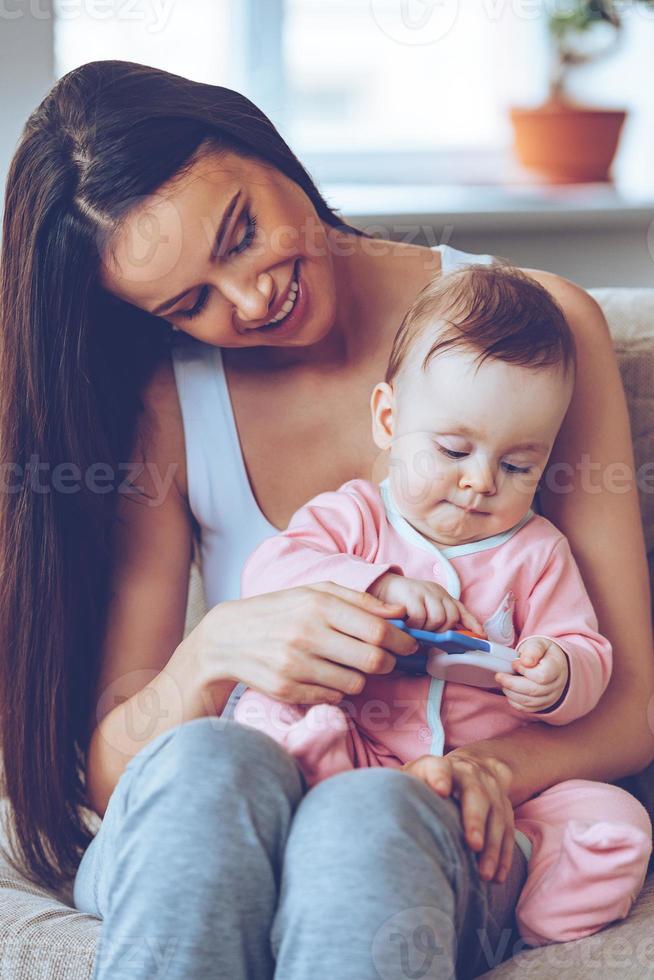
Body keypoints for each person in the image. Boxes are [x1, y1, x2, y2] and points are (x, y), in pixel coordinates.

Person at [0, 59, 651, 979]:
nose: (252, 298)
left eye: (242, 233)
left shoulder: (532, 334)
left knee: (369, 817)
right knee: (201, 775)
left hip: (424, 822)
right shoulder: (168, 405)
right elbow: (118, 766)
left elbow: (631, 705)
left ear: (259, 141)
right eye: (192, 303)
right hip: (234, 805)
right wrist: (218, 646)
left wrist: (487, 773)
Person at [233, 264, 652, 947]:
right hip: (355, 743)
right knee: (264, 712)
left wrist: (560, 675)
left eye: (519, 466)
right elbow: (270, 572)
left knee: (614, 815)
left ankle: (540, 889)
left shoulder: (537, 552)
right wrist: (378, 587)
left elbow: (589, 653)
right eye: (454, 449)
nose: (480, 482)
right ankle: (314, 773)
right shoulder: (355, 517)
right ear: (389, 419)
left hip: (486, 788)